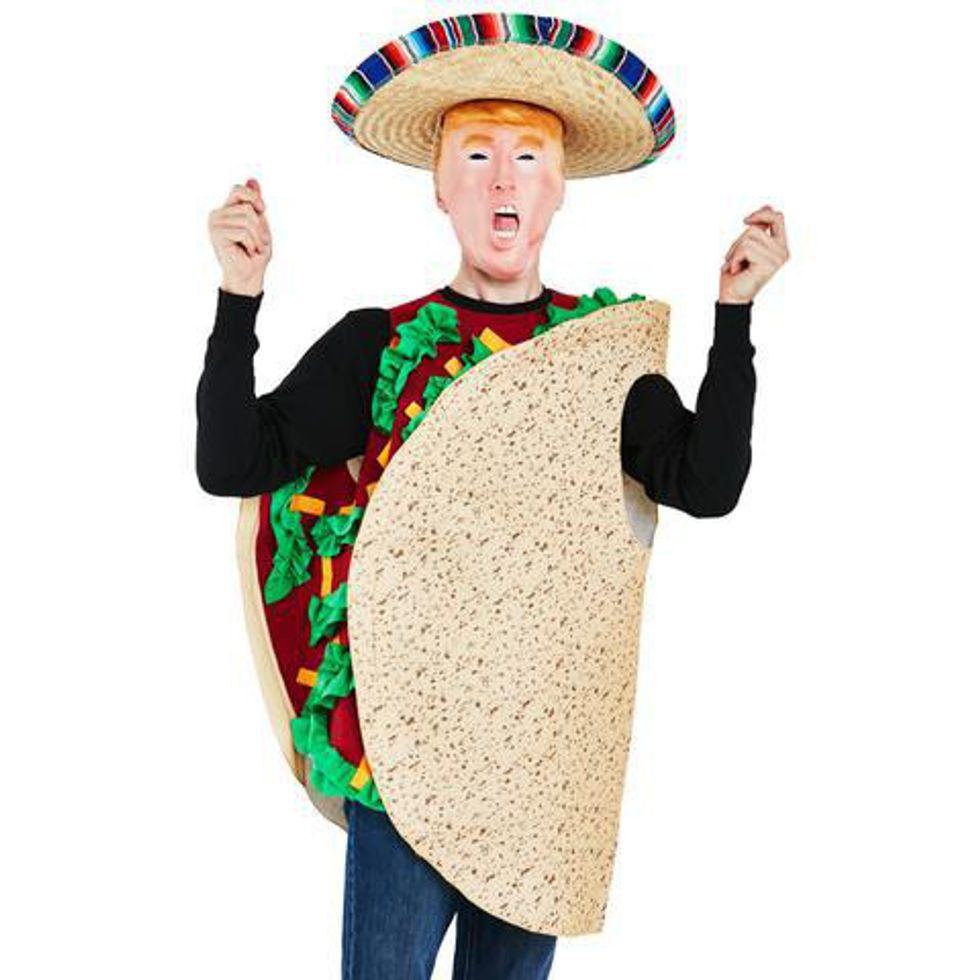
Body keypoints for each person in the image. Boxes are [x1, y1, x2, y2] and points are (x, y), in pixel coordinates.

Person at [197, 13, 788, 979]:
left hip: (541, 770)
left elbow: (706, 484)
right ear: (441, 186)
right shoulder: (381, 347)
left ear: (558, 187)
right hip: (403, 759)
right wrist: (238, 297)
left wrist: (734, 318)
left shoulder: (600, 361)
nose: (502, 180)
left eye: (527, 157)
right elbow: (233, 463)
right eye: (476, 155)